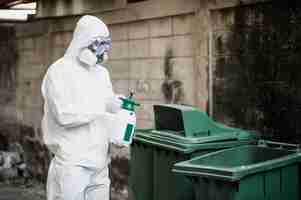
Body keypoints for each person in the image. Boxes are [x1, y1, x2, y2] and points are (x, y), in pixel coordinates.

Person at [41, 15, 122, 200]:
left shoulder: (101, 74)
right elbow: (64, 115)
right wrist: (102, 107)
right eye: (97, 44)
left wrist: (116, 108)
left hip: (100, 162)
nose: (102, 51)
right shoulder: (59, 71)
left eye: (105, 45)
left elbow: (105, 110)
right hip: (73, 163)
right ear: (82, 41)